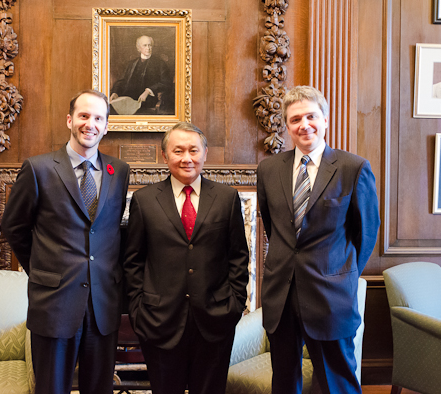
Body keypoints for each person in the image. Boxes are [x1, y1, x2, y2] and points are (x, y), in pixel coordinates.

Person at [1, 90, 130, 394]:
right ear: (70, 120)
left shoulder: (119, 171)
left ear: (106, 125)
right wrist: (42, 269)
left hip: (103, 304)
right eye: (84, 116)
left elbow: (108, 230)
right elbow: (14, 226)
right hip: (54, 303)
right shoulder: (39, 168)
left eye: (98, 118)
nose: (91, 124)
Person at [257, 85, 380, 394]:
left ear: (325, 120)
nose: (304, 125)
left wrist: (339, 272)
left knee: (336, 382)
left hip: (330, 295)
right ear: (287, 126)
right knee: (284, 382)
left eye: (311, 116)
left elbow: (366, 234)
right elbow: (275, 227)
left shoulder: (353, 168)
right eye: (295, 119)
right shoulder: (269, 169)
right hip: (281, 295)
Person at [123, 122, 249, 394]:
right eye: (178, 151)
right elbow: (133, 260)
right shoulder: (144, 201)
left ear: (205, 153)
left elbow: (238, 256)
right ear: (165, 156)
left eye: (193, 150)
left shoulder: (227, 198)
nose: (186, 158)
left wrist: (235, 304)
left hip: (215, 319)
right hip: (158, 321)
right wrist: (137, 309)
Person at [110, 35, 174, 115]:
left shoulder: (160, 64)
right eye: (145, 45)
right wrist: (115, 92)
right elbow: (122, 80)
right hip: (128, 100)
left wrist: (148, 91)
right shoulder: (132, 64)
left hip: (147, 101)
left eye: (150, 45)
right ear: (139, 48)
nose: (148, 48)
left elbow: (166, 83)